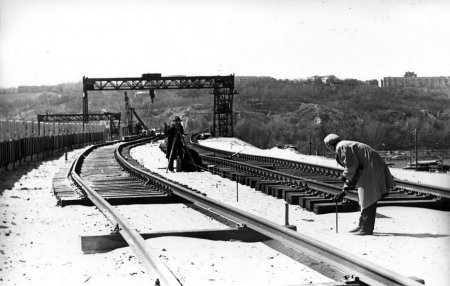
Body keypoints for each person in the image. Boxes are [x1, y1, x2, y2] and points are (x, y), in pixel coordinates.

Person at [324, 134, 395, 236]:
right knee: (363, 197)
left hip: (370, 166)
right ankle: (362, 224)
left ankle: (366, 228)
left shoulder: (342, 147)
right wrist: (344, 191)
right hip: (370, 165)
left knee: (368, 197)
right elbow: (354, 171)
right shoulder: (345, 145)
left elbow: (351, 166)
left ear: (329, 145)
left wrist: (344, 176)